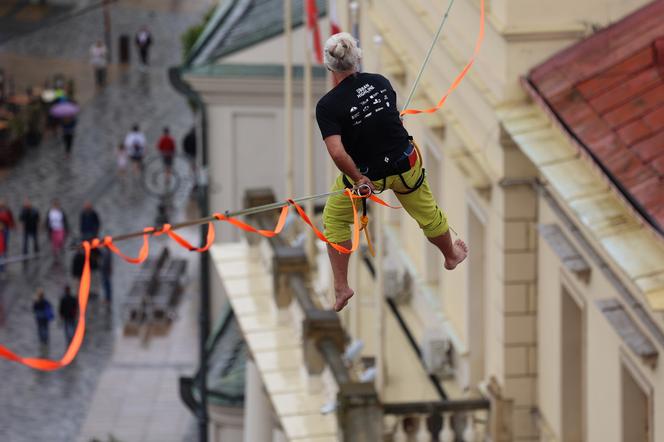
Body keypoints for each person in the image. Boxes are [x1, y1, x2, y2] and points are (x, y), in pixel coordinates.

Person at [315, 33, 468, 312]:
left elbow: (337, 152)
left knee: (335, 218)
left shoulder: (327, 106)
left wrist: (359, 179)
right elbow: (386, 120)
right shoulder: (380, 82)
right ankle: (451, 254)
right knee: (427, 212)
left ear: (329, 66)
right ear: (357, 57)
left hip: (368, 176)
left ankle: (341, 286)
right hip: (404, 163)